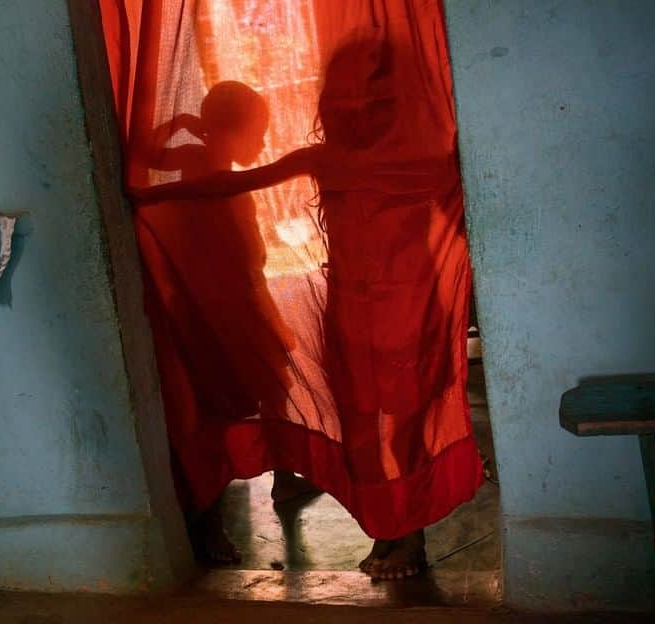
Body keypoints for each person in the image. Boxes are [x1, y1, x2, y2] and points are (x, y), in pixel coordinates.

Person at [133, 45, 481, 579]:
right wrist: (140, 196)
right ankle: (385, 529)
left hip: (410, 316)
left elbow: (458, 217)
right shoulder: (323, 159)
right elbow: (230, 182)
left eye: (377, 97)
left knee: (404, 430)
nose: (358, 106)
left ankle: (408, 537)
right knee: (362, 430)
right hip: (351, 316)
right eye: (345, 94)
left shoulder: (420, 160)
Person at [141, 81, 318, 563]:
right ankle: (220, 520)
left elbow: (145, 152)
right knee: (240, 400)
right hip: (226, 309)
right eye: (257, 134)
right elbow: (248, 263)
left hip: (212, 307)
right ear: (229, 131)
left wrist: (181, 125)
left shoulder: (201, 163)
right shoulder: (209, 171)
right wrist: (271, 319)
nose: (261, 146)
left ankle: (278, 483)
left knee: (242, 397)